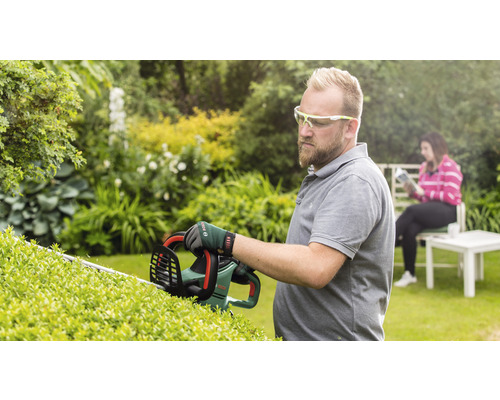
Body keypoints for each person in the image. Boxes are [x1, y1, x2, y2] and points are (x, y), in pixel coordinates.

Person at [183, 67, 395, 341]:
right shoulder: (326, 173)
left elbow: (315, 267)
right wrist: (251, 259)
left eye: (318, 122)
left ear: (349, 127)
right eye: (302, 117)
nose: (305, 130)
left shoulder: (354, 181)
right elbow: (307, 251)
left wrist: (228, 242)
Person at [394, 132, 463, 287]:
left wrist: (424, 193)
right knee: (410, 229)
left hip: (447, 211)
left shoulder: (450, 167)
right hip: (429, 211)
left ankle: (386, 243)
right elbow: (424, 199)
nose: (422, 152)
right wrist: (413, 192)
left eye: (425, 148)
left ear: (436, 147)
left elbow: (450, 197)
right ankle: (409, 274)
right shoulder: (424, 168)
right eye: (422, 149)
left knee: (411, 211)